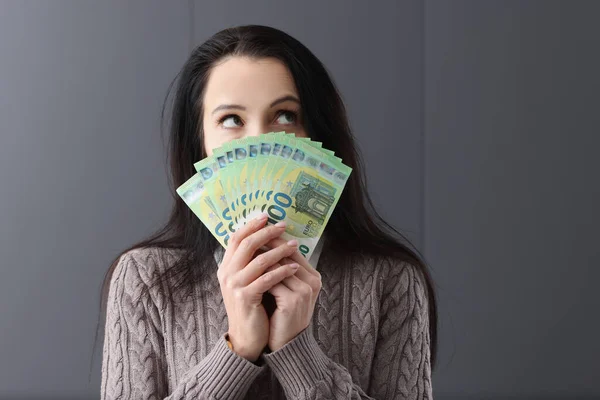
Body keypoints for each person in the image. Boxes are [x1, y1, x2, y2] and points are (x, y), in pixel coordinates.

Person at [98, 24, 437, 399]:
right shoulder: (144, 281)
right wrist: (237, 349)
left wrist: (299, 353)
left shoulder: (391, 281)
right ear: (200, 143)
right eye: (232, 120)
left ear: (317, 135)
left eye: (285, 115)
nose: (260, 141)